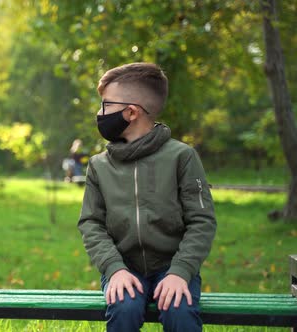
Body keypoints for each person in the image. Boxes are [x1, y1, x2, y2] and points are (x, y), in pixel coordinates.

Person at [77, 63, 217, 332]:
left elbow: (202, 221)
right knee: (124, 308)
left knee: (180, 311)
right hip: (124, 268)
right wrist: (114, 268)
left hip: (173, 267)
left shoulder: (182, 157)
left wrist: (180, 272)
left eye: (105, 105)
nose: (99, 113)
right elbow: (91, 223)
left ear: (131, 112)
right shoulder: (99, 165)